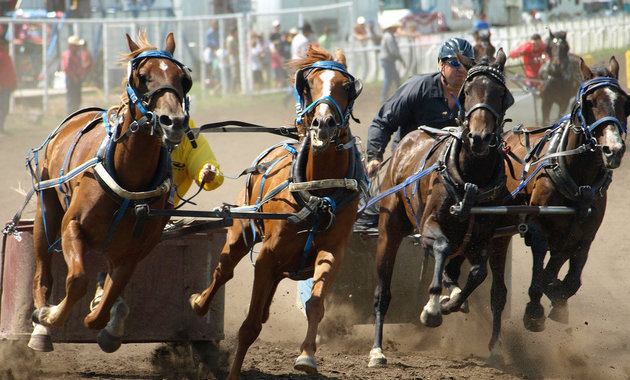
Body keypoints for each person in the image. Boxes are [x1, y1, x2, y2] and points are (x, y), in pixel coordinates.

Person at [353, 37, 474, 232]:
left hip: (451, 167)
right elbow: (383, 121)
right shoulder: (418, 88)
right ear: (441, 65)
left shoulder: (474, 96)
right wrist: (374, 157)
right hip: (409, 165)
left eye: (468, 64)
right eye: (454, 63)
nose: (461, 69)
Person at [169, 123, 224, 207]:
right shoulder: (142, 126)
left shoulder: (189, 135)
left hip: (163, 212)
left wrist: (208, 173)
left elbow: (205, 163)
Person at [378, 19, 405, 103]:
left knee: (391, 79)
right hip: (388, 61)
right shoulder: (389, 36)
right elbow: (393, 50)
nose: (397, 29)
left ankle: (390, 97)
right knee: (391, 79)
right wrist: (401, 59)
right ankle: (397, 96)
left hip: (387, 61)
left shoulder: (387, 35)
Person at [61, 35, 84, 114]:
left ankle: (76, 114)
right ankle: (70, 116)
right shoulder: (68, 55)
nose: (78, 48)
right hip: (71, 79)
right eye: (76, 46)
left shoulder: (76, 55)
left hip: (77, 78)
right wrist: (74, 78)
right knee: (72, 99)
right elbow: (66, 68)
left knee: (77, 99)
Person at [0, 36, 17, 134]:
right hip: (2, 87)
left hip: (7, 86)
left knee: (5, 108)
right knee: (2, 108)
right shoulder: (1, 56)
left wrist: (13, 84)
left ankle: (1, 128)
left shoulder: (6, 55)